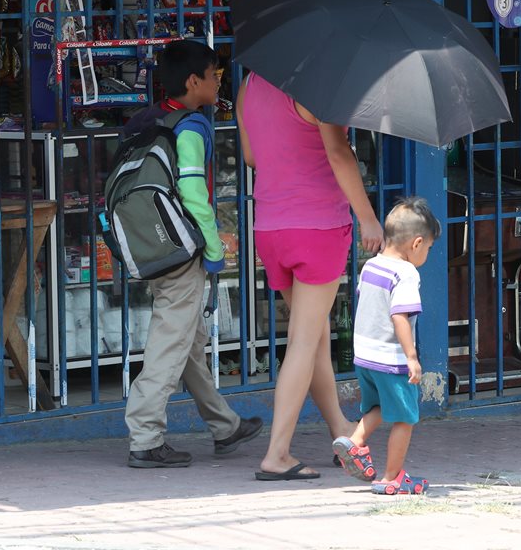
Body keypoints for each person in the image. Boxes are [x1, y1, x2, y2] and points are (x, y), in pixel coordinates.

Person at [237, 71, 384, 481]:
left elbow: (251, 156)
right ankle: (277, 454)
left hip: (270, 226)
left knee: (314, 336)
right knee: (303, 342)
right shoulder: (320, 87)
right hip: (316, 227)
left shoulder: (249, 85)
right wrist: (368, 218)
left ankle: (341, 432)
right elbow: (338, 154)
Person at [124, 40, 263, 468]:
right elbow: (193, 194)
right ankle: (145, 438)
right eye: (214, 73)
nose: (219, 79)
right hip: (182, 252)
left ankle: (225, 426)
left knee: (189, 345)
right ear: (193, 81)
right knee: (170, 344)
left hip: (157, 245)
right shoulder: (190, 127)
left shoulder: (153, 118)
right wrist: (214, 247)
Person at [332, 197, 437, 495]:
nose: (427, 253)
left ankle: (354, 442)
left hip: (365, 357)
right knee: (405, 416)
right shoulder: (405, 273)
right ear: (417, 244)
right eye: (428, 248)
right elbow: (399, 315)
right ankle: (393, 477)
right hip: (392, 359)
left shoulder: (371, 266)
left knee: (379, 406)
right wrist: (411, 357)